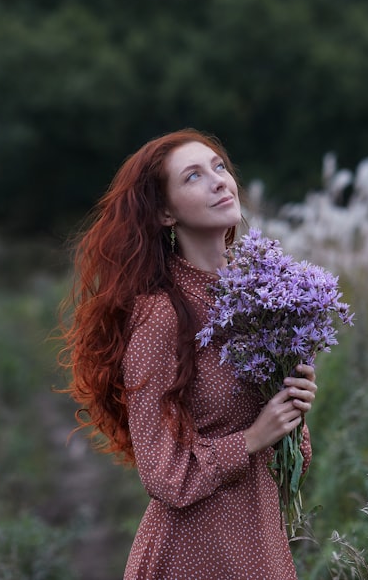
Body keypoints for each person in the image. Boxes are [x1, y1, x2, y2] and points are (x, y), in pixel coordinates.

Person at [60, 128, 317, 579]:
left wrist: (292, 410)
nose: (219, 180)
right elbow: (162, 472)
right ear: (164, 213)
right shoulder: (161, 316)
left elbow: (290, 462)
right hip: (193, 553)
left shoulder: (261, 301)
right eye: (193, 177)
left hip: (261, 544)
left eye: (219, 167)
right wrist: (253, 437)